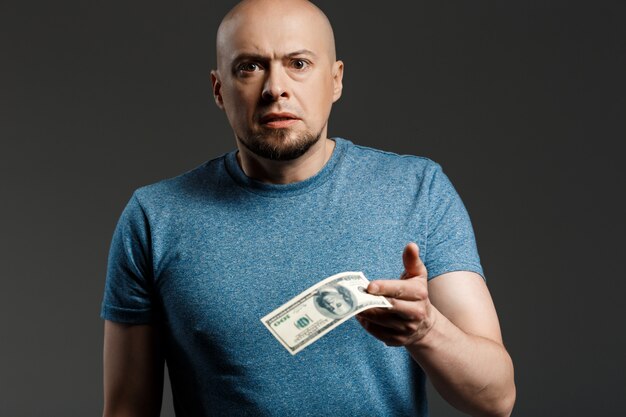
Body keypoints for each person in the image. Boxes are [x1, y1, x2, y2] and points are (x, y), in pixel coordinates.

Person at [101, 0, 516, 416]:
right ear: (218, 89)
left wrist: (427, 330)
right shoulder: (155, 217)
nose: (275, 88)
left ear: (335, 80)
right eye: (249, 66)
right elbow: (126, 408)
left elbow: (496, 398)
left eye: (298, 63)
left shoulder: (419, 190)